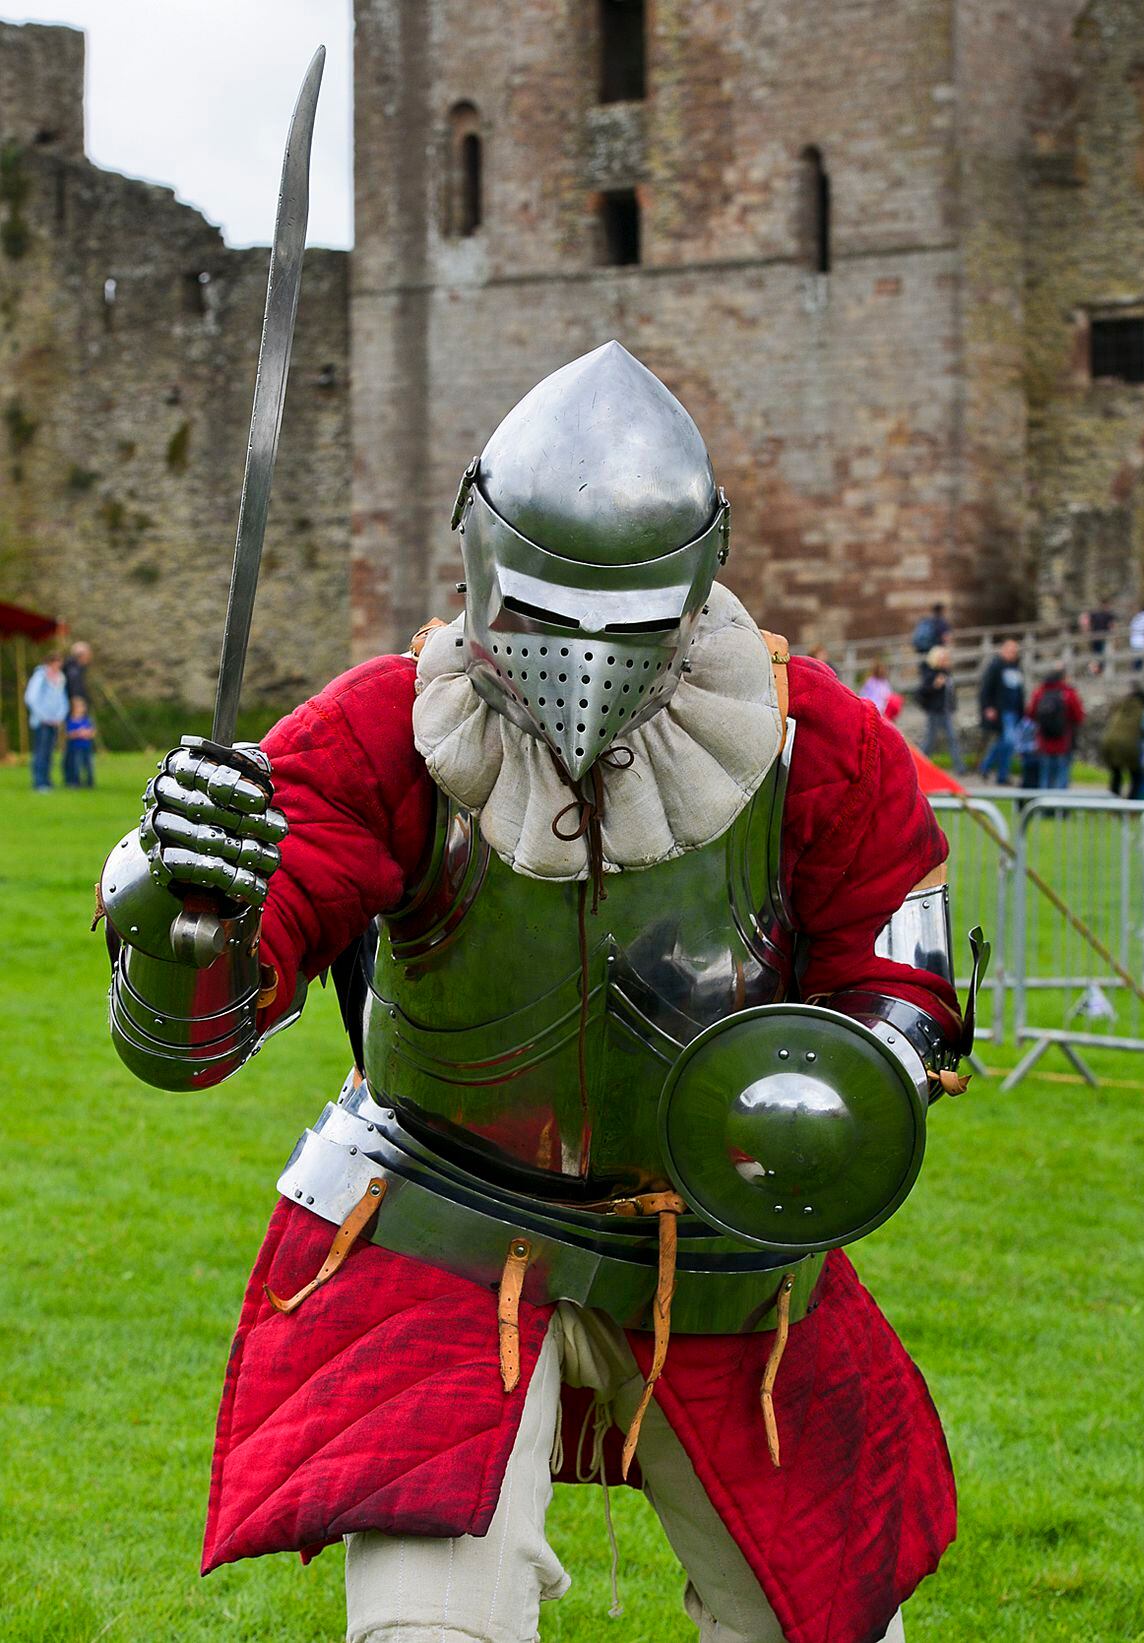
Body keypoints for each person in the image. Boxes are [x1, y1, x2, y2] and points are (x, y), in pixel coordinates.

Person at [98, 344, 974, 1643]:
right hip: (437, 1229)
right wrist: (180, 905)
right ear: (478, 560)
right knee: (424, 1627)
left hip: (719, 1245)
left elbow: (900, 966)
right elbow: (208, 1010)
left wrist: (872, 1066)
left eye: (623, 625)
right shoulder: (384, 731)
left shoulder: (813, 743)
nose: (580, 658)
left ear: (696, 582)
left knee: (829, 1618)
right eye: (544, 614)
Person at [1027, 666, 1085, 790]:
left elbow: (1030, 713)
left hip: (1044, 740)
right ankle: (1060, 807)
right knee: (1061, 776)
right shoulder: (1068, 694)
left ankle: (1043, 806)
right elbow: (1079, 716)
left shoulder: (1040, 692)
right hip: (1064, 741)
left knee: (1045, 776)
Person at [977, 637, 1025, 785]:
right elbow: (985, 689)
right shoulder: (995, 667)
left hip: (1014, 710)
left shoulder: (1016, 667)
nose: (1012, 653)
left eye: (1014, 651)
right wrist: (988, 707)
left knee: (1005, 743)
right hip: (1002, 710)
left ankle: (989, 767)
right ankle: (999, 773)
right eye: (1010, 650)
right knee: (1009, 742)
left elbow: (1020, 690)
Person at [915, 645, 965, 773]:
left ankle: (960, 768)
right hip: (934, 712)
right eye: (943, 659)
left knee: (952, 738)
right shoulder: (930, 673)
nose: (945, 661)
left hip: (946, 711)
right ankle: (917, 764)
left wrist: (953, 706)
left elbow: (950, 693)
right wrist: (934, 686)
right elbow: (921, 692)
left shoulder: (947, 673)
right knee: (930, 741)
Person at [23, 652, 68, 792]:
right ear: (50, 663)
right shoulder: (40, 677)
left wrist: (60, 716)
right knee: (40, 752)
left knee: (49, 752)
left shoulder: (60, 678)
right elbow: (31, 698)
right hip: (42, 721)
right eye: (57, 662)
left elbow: (62, 699)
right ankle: (39, 781)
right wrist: (44, 716)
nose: (59, 665)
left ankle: (47, 780)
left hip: (54, 721)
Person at [1099, 688, 1144, 799]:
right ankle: (1131, 805)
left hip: (1109, 743)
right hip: (1129, 746)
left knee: (1116, 774)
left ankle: (1114, 803)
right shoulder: (1142, 711)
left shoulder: (1120, 706)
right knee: (1137, 776)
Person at [63, 695, 97, 788]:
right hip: (76, 748)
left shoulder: (87, 720)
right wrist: (78, 733)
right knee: (76, 765)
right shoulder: (71, 721)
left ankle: (90, 782)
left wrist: (87, 733)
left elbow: (93, 732)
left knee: (89, 765)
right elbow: (68, 734)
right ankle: (75, 782)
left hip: (86, 747)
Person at [64, 639, 93, 705]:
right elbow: (76, 697)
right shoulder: (74, 672)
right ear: (82, 655)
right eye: (89, 654)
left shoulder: (77, 668)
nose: (90, 656)